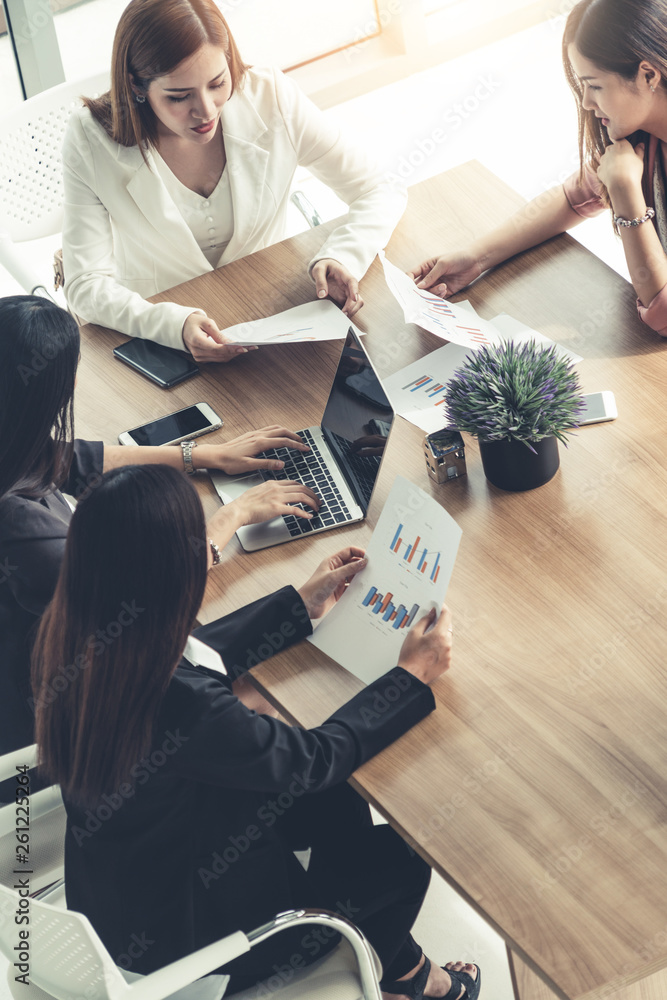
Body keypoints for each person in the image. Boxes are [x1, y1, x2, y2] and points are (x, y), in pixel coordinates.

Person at [32, 462, 480, 1000]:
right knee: (404, 858)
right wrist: (410, 678)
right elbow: (311, 757)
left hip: (127, 884)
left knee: (340, 803)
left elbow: (182, 658)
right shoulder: (183, 706)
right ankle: (399, 976)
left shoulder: (73, 638)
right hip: (199, 939)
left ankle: (403, 968)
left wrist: (298, 606)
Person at [0, 295, 320, 770]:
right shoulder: (18, 531)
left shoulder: (10, 437)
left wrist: (206, 455)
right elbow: (140, 601)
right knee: (271, 692)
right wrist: (231, 517)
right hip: (66, 712)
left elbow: (75, 460)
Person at [61, 0, 407, 363]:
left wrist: (343, 255)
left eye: (217, 83)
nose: (207, 110)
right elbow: (85, 285)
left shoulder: (271, 97)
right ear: (137, 85)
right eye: (179, 96)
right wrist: (172, 324)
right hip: (164, 344)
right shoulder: (89, 138)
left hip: (278, 317)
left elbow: (378, 188)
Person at [410, 0, 667, 338]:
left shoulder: (629, 160)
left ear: (648, 74)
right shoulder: (643, 141)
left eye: (596, 85)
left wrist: (625, 190)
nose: (587, 103)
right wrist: (475, 259)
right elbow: (572, 198)